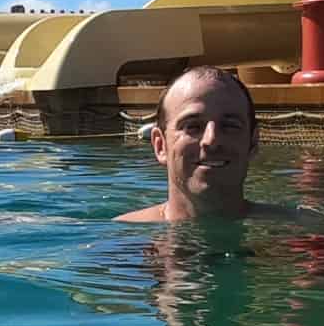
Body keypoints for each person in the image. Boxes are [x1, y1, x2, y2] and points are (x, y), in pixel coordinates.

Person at [117, 65, 300, 223]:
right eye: (192, 126)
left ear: (253, 143)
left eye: (229, 126)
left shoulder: (302, 232)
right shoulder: (123, 241)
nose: (211, 140)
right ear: (160, 146)